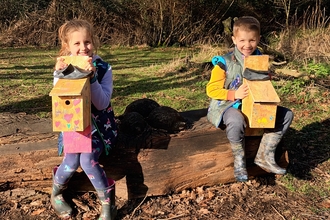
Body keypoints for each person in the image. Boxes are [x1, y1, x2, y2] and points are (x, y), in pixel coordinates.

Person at [206, 16, 294, 182]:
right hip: (228, 105)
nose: (247, 45)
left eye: (252, 40)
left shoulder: (259, 59)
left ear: (259, 39)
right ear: (234, 39)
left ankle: (264, 154)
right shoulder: (224, 62)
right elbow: (211, 89)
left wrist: (266, 78)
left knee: (286, 115)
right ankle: (239, 160)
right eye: (242, 40)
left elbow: (260, 81)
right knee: (236, 121)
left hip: (254, 105)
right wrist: (234, 94)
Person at [51, 19, 118, 220]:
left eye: (87, 42)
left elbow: (102, 103)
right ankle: (56, 194)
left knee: (87, 161)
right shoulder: (64, 66)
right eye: (77, 44)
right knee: (71, 161)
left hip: (99, 128)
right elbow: (60, 98)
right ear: (67, 46)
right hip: (72, 127)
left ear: (93, 42)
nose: (83, 48)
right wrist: (60, 73)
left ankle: (108, 206)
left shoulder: (104, 68)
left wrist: (93, 77)